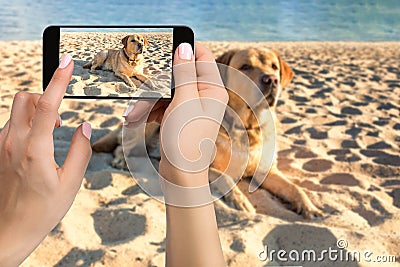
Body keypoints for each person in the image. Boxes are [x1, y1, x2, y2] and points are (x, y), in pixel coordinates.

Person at [0, 43, 227, 267]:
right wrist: (187, 177)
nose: (138, 45)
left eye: (141, 43)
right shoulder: (116, 57)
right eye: (134, 42)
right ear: (125, 44)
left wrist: (10, 235)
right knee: (99, 65)